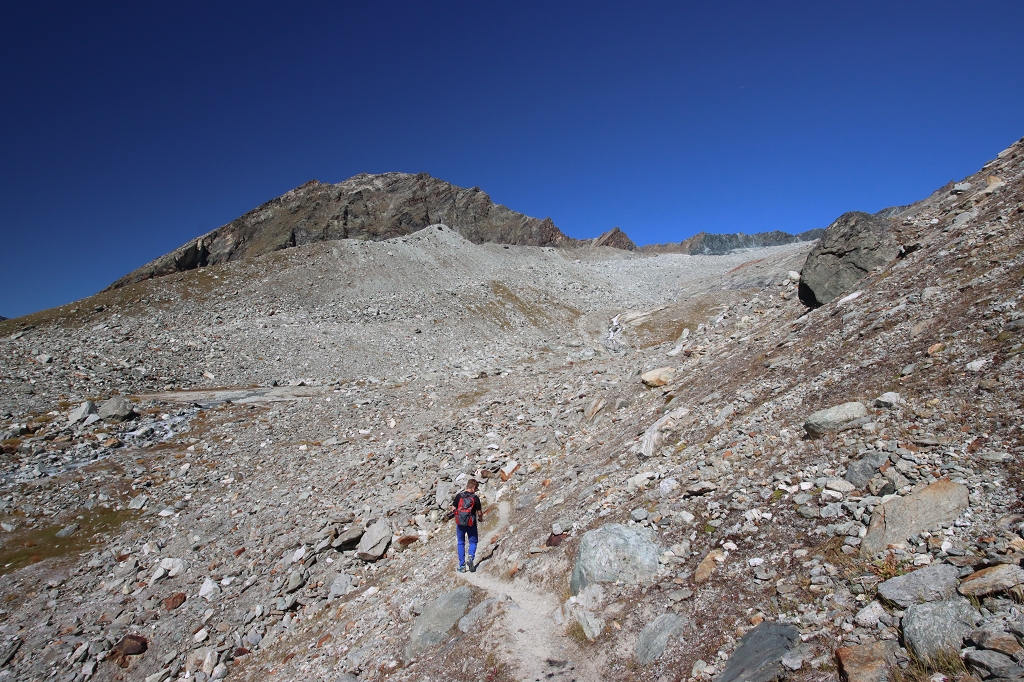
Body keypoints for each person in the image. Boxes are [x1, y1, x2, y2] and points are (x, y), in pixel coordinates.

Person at [451, 478, 484, 572]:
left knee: (461, 543)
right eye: (476, 488)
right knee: (473, 541)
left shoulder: (459, 496)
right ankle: (470, 557)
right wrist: (480, 518)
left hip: (460, 523)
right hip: (471, 523)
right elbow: (479, 512)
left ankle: (462, 566)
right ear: (473, 487)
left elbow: (453, 508)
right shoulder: (475, 498)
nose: (476, 490)